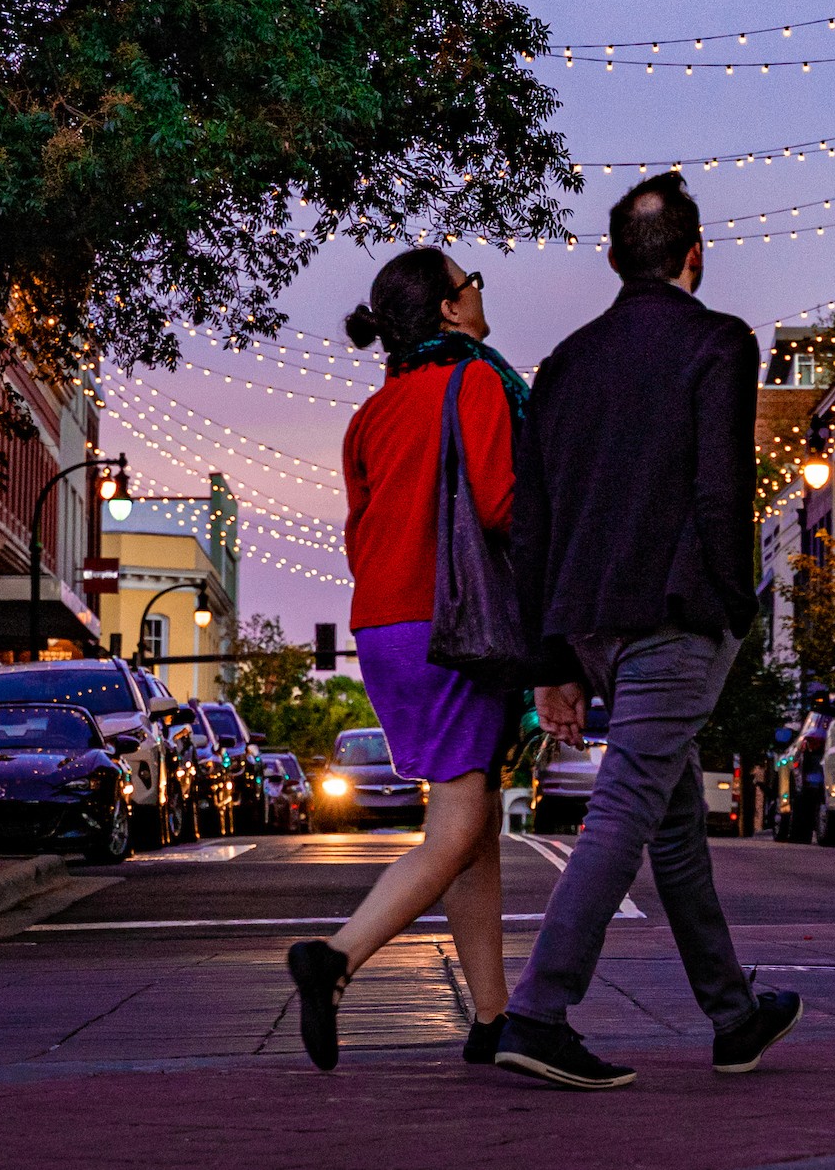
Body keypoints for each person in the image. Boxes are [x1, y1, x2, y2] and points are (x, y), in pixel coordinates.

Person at [494, 172, 800, 1091]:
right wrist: (733, 601)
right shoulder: (719, 343)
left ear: (618, 259)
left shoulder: (564, 365)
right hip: (672, 610)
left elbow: (534, 526)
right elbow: (721, 489)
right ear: (695, 255)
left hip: (588, 621)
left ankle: (733, 1014)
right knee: (629, 803)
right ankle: (539, 1010)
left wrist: (552, 660)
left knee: (669, 817)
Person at [284, 245, 530, 1072]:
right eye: (470, 284)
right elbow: (500, 503)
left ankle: (493, 1015)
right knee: (458, 823)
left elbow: (361, 530)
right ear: (449, 310)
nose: (478, 295)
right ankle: (337, 957)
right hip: (454, 618)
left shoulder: (369, 413)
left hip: (382, 625)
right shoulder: (479, 381)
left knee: (473, 819)